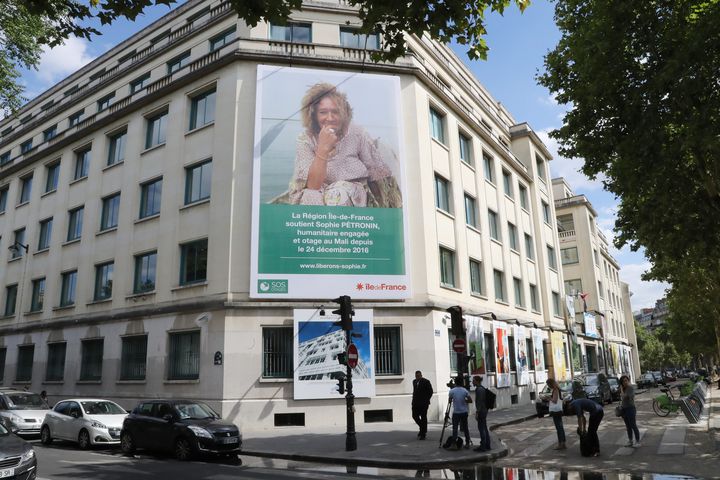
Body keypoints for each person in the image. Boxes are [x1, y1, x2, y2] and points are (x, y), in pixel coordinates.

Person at [286, 82, 402, 207]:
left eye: (335, 112)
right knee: (310, 195)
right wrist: (323, 149)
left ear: (343, 114)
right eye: (323, 112)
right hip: (318, 191)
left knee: (338, 194)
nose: (329, 118)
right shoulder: (305, 139)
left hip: (351, 192)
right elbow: (313, 185)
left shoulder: (357, 133)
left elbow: (377, 172)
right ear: (313, 114)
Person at [447, 376, 472, 449]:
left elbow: (449, 401)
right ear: (461, 382)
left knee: (455, 428)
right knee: (465, 428)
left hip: (456, 412)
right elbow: (470, 400)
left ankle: (454, 444)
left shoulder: (452, 391)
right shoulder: (465, 391)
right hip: (464, 412)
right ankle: (467, 443)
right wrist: (464, 400)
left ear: (455, 382)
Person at [619, 375, 641, 447]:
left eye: (626, 380)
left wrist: (621, 389)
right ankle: (630, 440)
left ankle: (637, 441)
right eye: (623, 381)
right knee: (628, 426)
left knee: (633, 425)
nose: (625, 382)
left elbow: (624, 396)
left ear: (628, 381)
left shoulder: (630, 388)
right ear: (621, 382)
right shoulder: (624, 389)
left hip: (630, 409)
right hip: (624, 409)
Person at [411, 370, 433, 440]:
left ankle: (423, 434)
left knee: (423, 417)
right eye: (416, 376)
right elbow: (414, 392)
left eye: (418, 376)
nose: (417, 377)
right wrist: (413, 401)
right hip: (415, 403)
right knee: (414, 416)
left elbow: (430, 392)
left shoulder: (426, 382)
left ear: (421, 375)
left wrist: (426, 400)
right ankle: (423, 428)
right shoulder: (414, 382)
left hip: (424, 403)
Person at [472, 376, 491, 452]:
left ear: (477, 381)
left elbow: (479, 402)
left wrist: (477, 413)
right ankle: (487, 445)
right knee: (484, 428)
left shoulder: (479, 390)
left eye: (473, 380)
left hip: (481, 411)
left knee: (481, 429)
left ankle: (483, 446)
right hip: (484, 410)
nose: (472, 382)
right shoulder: (482, 388)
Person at [546, 378, 566, 450]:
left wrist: (549, 398)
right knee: (560, 427)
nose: (548, 386)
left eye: (548, 384)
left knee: (559, 428)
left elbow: (554, 400)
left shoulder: (555, 390)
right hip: (559, 411)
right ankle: (563, 443)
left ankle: (561, 444)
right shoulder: (558, 389)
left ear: (550, 384)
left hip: (556, 411)